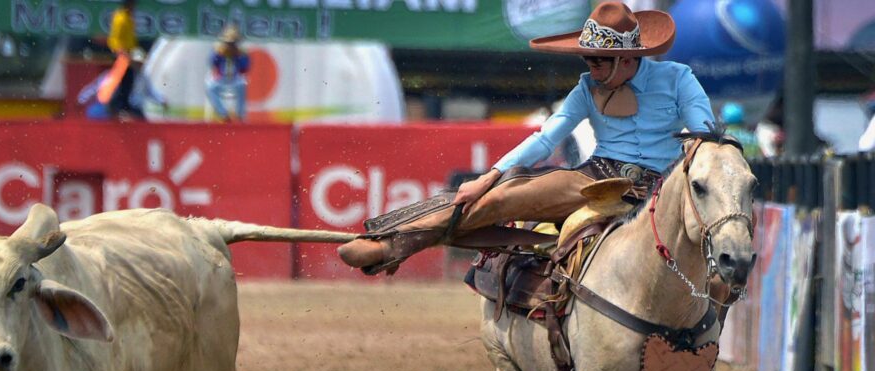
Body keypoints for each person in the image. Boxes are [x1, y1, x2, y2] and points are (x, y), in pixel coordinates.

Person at [338, 2, 716, 275]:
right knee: (499, 197)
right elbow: (545, 139)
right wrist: (489, 177)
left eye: (598, 60)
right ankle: (393, 244)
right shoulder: (587, 87)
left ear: (628, 58)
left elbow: (703, 139)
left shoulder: (679, 79)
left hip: (664, 192)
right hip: (596, 180)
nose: (590, 67)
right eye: (587, 60)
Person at [206, 25, 250, 122]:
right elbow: (212, 63)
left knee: (242, 85)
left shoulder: (241, 52)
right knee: (210, 88)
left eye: (232, 43)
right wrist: (219, 54)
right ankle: (223, 114)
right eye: (228, 43)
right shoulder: (218, 50)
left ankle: (240, 114)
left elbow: (245, 68)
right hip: (222, 78)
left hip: (235, 78)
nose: (230, 45)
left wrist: (239, 56)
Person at [106, 0, 141, 118]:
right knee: (122, 81)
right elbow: (115, 39)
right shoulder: (120, 18)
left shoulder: (128, 18)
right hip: (122, 55)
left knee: (129, 80)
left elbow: (130, 39)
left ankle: (124, 106)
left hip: (128, 54)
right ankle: (117, 106)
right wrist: (122, 54)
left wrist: (135, 53)